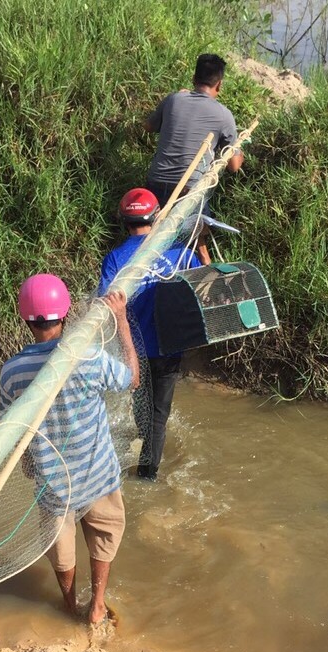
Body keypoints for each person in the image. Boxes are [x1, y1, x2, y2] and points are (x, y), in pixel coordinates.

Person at [0, 273, 139, 626]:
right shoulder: (88, 357)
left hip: (53, 485)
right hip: (98, 475)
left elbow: (12, 431)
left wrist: (30, 466)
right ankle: (97, 606)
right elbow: (131, 378)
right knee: (104, 535)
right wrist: (121, 319)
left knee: (61, 551)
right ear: (66, 313)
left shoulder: (12, 372)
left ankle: (69, 604)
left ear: (25, 318)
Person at [97, 188, 201, 481]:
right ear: (157, 217)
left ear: (124, 221)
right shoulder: (180, 253)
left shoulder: (116, 259)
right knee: (159, 413)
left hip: (134, 347)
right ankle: (148, 474)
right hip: (171, 346)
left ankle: (144, 453)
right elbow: (202, 286)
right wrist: (203, 242)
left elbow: (106, 303)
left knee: (142, 403)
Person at [143, 53, 245, 264]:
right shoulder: (224, 115)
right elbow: (234, 166)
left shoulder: (173, 100)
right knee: (197, 234)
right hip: (189, 191)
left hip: (155, 183)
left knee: (154, 239)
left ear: (193, 79)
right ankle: (203, 264)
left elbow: (148, 126)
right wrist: (239, 148)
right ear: (219, 84)